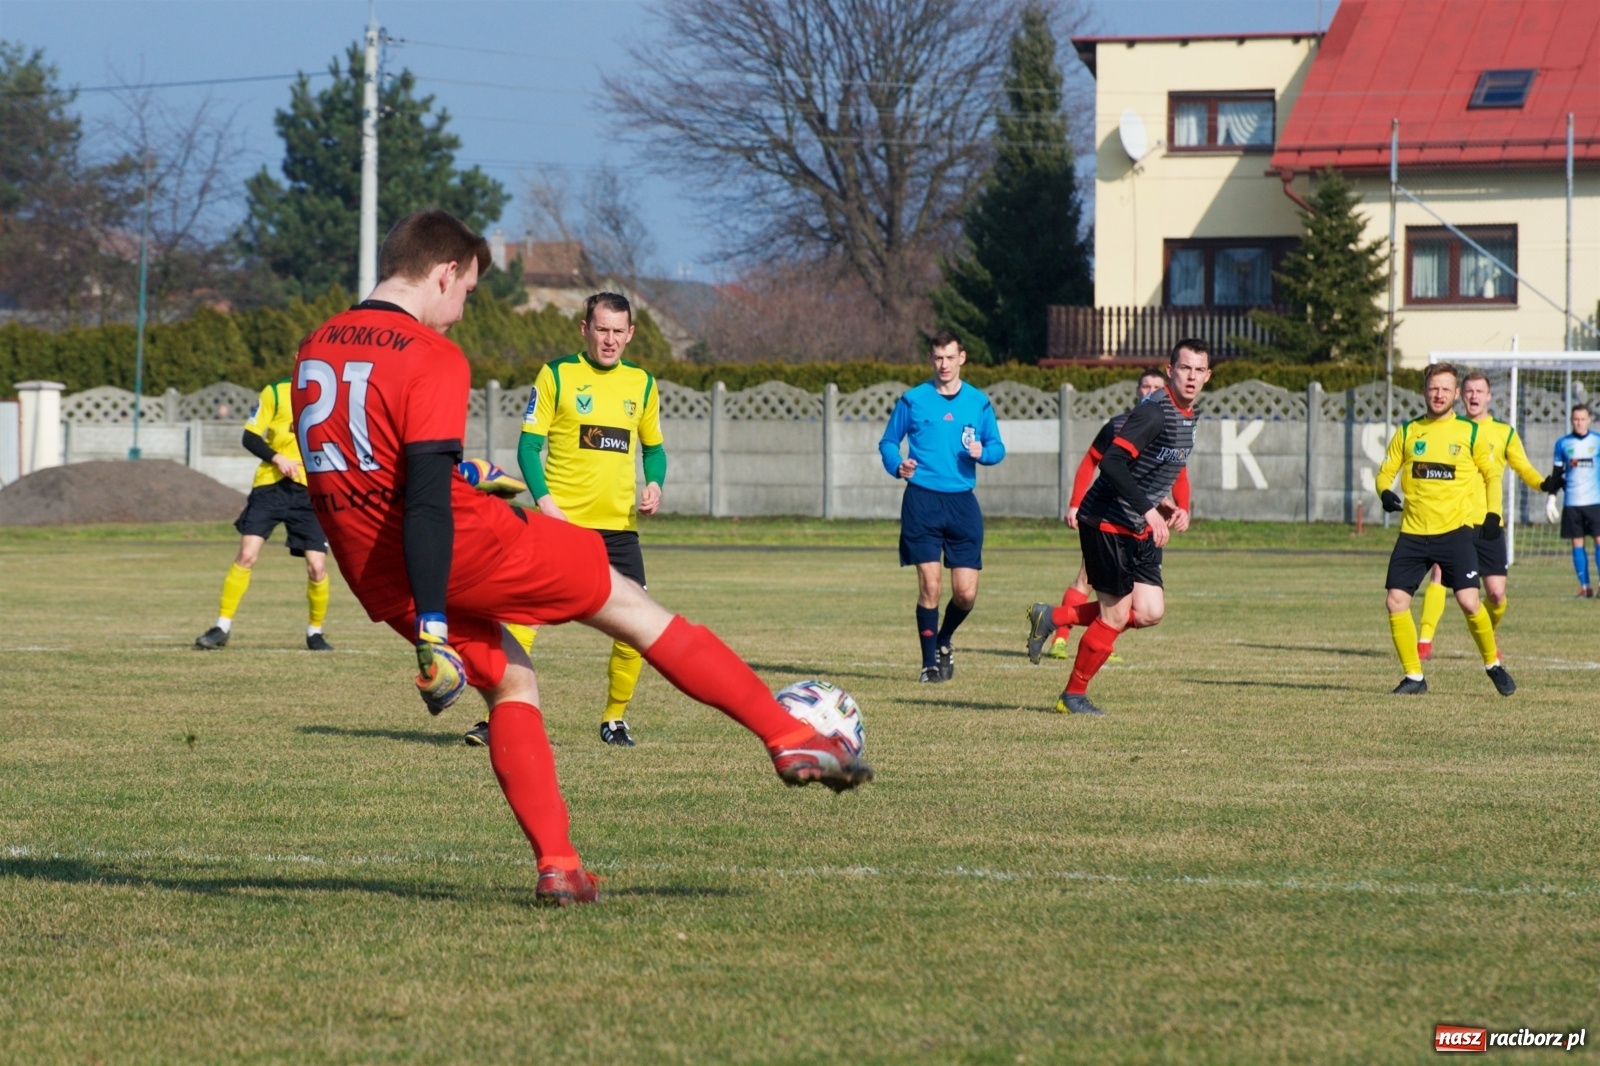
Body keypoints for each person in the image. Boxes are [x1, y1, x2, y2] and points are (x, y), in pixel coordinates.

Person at [291, 209, 872, 907]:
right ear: (444, 272)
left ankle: (560, 867)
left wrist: (465, 483)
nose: (463, 309)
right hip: (455, 545)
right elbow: (423, 503)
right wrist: (437, 629)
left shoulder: (317, 346)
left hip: (375, 570)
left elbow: (369, 467)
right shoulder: (431, 354)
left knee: (512, 684)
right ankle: (787, 735)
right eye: (468, 292)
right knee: (633, 607)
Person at [460, 292, 665, 750]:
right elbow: (528, 447)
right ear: (584, 329)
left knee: (639, 625)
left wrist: (655, 484)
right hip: (559, 523)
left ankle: (614, 719)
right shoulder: (556, 374)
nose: (609, 340)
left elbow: (653, 449)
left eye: (618, 331)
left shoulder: (643, 384)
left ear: (630, 334)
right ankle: (498, 718)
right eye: (602, 329)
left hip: (619, 528)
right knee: (522, 620)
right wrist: (546, 503)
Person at [1023, 340, 1211, 715]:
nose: (1191, 377)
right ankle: (1072, 695)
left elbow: (1149, 470)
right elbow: (1110, 463)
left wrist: (1167, 504)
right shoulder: (1153, 414)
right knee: (1115, 614)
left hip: (1139, 522)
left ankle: (1053, 616)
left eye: (1198, 370)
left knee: (1148, 611)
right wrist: (1149, 509)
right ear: (1170, 370)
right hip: (1106, 520)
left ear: (1207, 376)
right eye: (1184, 368)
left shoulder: (1188, 416)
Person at [1373, 362, 1512, 697]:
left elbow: (1492, 476)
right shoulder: (1407, 432)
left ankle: (1492, 663)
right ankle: (1414, 677)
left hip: (1455, 534)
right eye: (1433, 387)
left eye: (1446, 389)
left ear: (1455, 395)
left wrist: (1493, 514)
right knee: (1395, 601)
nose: (1439, 394)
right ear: (1425, 390)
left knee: (1468, 601)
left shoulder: (1470, 432)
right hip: (1412, 533)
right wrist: (1385, 492)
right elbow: (1384, 472)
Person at [878, 331, 1006, 683]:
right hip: (921, 500)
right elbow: (889, 441)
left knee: (965, 593)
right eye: (937, 358)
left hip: (962, 503)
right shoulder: (913, 400)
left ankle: (944, 639)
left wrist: (985, 452)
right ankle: (929, 665)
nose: (944, 364)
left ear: (962, 358)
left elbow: (998, 447)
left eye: (950, 357)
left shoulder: (978, 403)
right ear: (931, 359)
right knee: (930, 586)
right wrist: (897, 464)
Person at [1414, 371, 1562, 659]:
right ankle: (1424, 641)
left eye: (1479, 392)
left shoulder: (1503, 433)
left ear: (1488, 396)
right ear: (1460, 395)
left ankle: (1487, 634)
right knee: (1439, 573)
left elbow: (1523, 468)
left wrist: (1544, 484)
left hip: (1490, 524)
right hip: (1455, 519)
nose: (1473, 396)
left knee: (1495, 593)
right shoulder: (1449, 428)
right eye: (1468, 391)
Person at [1049, 369, 1187, 660]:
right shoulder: (1120, 425)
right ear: (1137, 391)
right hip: (1111, 517)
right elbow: (1094, 462)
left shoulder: (1173, 426)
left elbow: (1178, 472)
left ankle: (1088, 631)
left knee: (1144, 608)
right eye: (1145, 386)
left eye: (1156, 386)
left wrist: (1181, 505)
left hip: (1144, 525)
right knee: (1087, 580)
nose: (1150, 390)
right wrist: (1075, 503)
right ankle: (1060, 638)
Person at [194, 377, 333, 652]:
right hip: (270, 487)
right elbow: (249, 436)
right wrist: (277, 458)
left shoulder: (334, 394)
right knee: (247, 554)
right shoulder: (276, 392)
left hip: (309, 491)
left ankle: (315, 633)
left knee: (317, 567)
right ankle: (221, 627)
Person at [1550, 403, 1600, 597]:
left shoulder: (1597, 441)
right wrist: (1551, 498)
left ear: (1589, 420)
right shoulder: (1563, 444)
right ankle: (1585, 586)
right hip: (1572, 503)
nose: (1579, 423)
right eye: (1576, 419)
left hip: (1595, 502)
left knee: (1598, 540)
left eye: (1582, 419)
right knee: (1577, 543)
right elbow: (1557, 473)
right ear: (1571, 421)